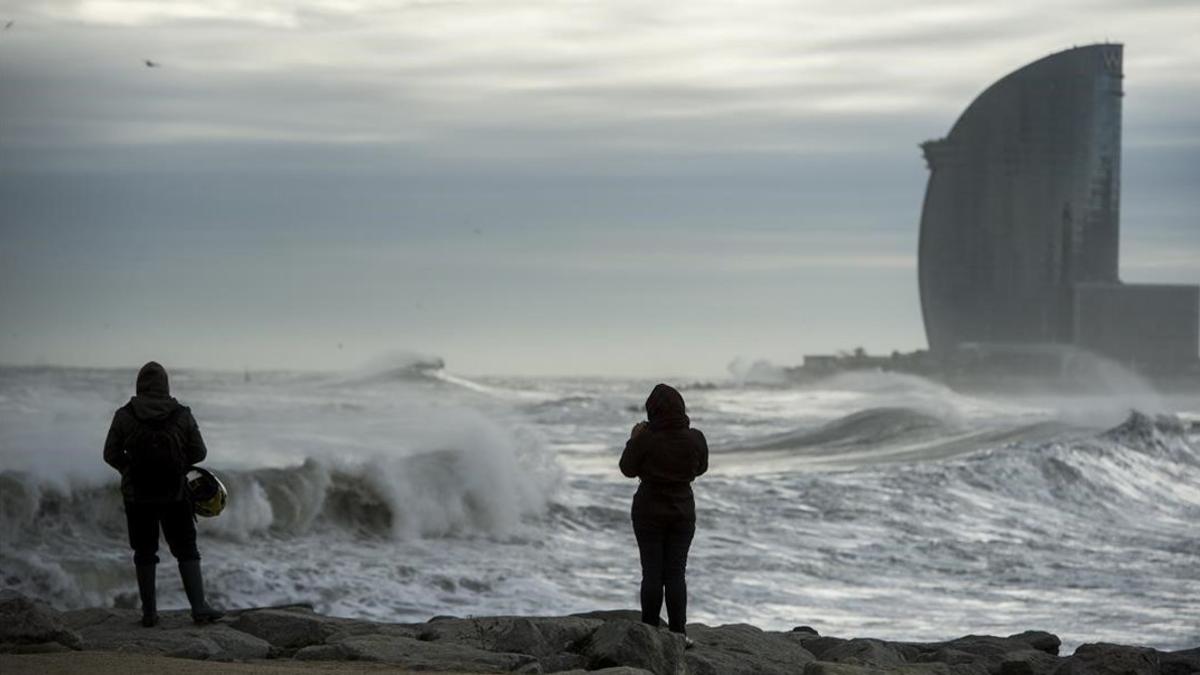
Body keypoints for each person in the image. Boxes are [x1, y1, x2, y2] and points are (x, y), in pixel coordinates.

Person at [103, 361, 224, 627]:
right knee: (186, 550)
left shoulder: (125, 415)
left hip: (137, 496)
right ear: (165, 385)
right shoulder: (181, 414)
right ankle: (199, 608)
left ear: (139, 384)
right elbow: (200, 452)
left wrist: (129, 470)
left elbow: (109, 453)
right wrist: (179, 465)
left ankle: (149, 614)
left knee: (144, 552)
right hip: (176, 493)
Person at [619, 383, 708, 643]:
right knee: (676, 573)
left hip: (648, 509)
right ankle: (679, 633)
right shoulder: (696, 438)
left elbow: (627, 468)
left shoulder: (646, 437)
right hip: (682, 509)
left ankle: (649, 632)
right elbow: (701, 468)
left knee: (652, 573)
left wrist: (633, 439)